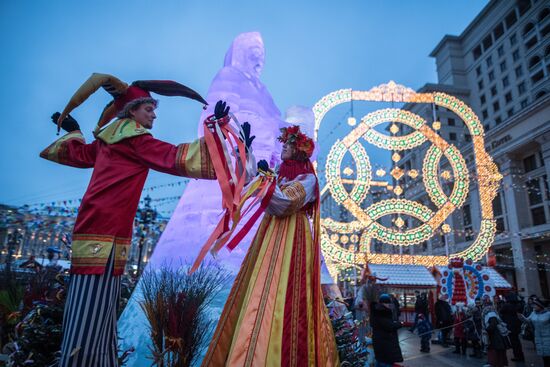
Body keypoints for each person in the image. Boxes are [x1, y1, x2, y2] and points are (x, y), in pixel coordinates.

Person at [40, 73, 235, 367]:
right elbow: (174, 158)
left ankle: (87, 359)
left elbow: (79, 154)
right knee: (96, 306)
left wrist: (74, 131)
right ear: (132, 111)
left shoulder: (110, 138)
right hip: (107, 230)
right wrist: (216, 131)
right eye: (149, 109)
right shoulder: (134, 139)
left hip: (94, 225)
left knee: (89, 305)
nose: (155, 114)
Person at [199, 125, 338, 366]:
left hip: (293, 237)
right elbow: (250, 180)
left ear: (298, 151)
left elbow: (283, 204)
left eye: (289, 144)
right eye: (284, 142)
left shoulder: (307, 180)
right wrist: (244, 152)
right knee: (259, 287)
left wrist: (265, 183)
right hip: (270, 235)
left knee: (288, 292)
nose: (283, 146)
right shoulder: (280, 175)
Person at [371, 294, 403, 367]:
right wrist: (400, 324)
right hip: (385, 344)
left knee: (380, 361)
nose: (389, 305)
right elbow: (389, 325)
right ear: (383, 303)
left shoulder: (378, 311)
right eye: (387, 303)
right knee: (385, 362)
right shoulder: (381, 312)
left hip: (382, 343)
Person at [519, 297, 550, 367]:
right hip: (538, 337)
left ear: (540, 306)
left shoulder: (548, 314)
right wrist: (522, 317)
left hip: (547, 337)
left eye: (535, 305)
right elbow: (528, 320)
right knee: (544, 356)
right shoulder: (534, 313)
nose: (534, 306)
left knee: (548, 356)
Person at [499, 293, 525, 361]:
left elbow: (501, 311)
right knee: (517, 341)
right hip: (516, 324)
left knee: (514, 341)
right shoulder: (518, 305)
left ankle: (517, 356)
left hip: (510, 325)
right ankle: (520, 355)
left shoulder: (507, 305)